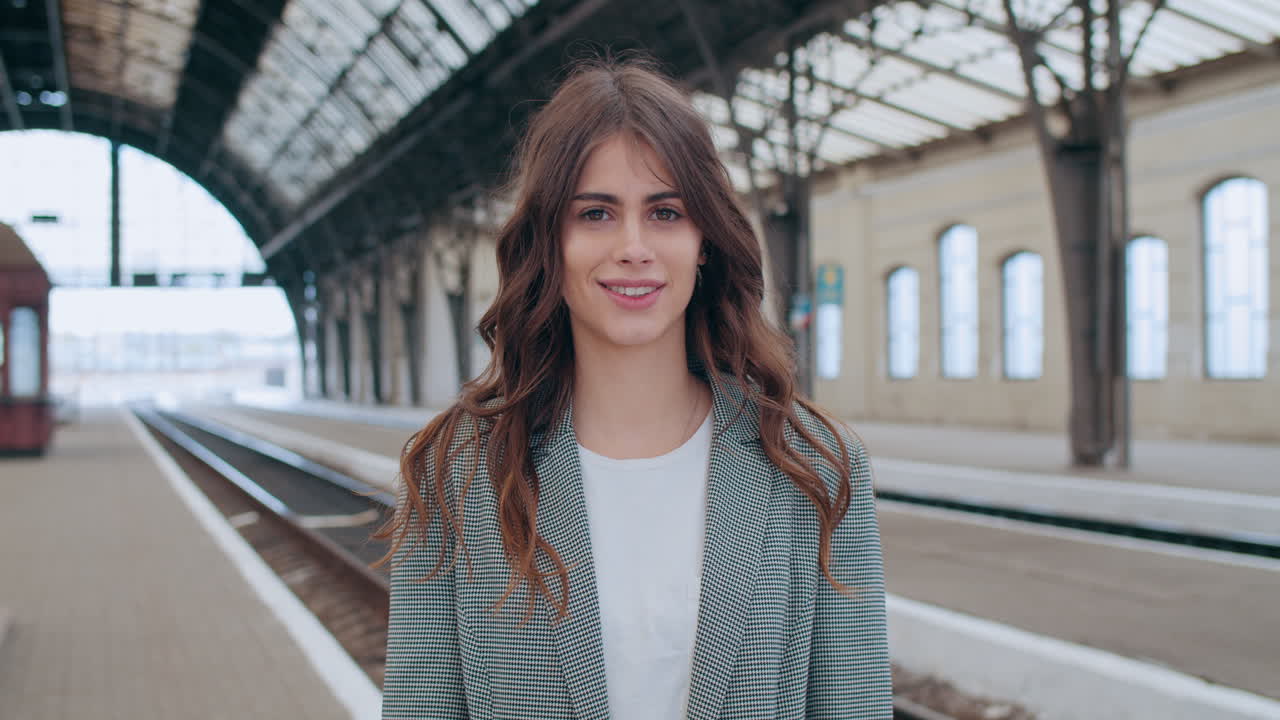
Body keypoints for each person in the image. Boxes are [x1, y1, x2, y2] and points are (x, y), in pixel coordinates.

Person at [377, 56, 890, 719]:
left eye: (666, 212)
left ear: (704, 239)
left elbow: (854, 706)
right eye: (595, 214)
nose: (634, 246)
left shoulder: (815, 466)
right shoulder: (456, 471)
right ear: (549, 241)